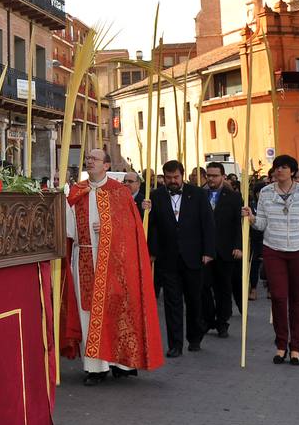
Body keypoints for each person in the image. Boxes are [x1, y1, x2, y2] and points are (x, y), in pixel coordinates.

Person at [63, 150, 164, 384]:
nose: (89, 161)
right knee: (88, 312)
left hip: (115, 262)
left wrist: (110, 228)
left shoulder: (119, 193)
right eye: (87, 158)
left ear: (106, 165)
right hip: (86, 256)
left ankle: (121, 362)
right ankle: (95, 367)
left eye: (94, 159)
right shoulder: (77, 191)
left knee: (118, 309)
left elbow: (132, 230)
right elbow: (67, 229)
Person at [243, 154, 299, 366]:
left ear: (293, 172)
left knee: (298, 300)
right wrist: (251, 217)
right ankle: (281, 345)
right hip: (274, 249)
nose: (279, 171)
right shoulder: (266, 193)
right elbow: (261, 223)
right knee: (278, 298)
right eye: (277, 167)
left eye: (284, 167)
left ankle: (295, 347)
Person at [145, 160, 215, 358]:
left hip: (194, 256)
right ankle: (175, 344)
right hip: (168, 258)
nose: (172, 181)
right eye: (168, 178)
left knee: (194, 300)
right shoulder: (156, 196)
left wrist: (208, 251)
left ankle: (194, 337)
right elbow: (152, 227)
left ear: (182, 175)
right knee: (171, 303)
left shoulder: (199, 194)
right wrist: (145, 211)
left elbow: (208, 223)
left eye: (176, 177)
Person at [200, 162, 244, 338]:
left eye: (215, 176)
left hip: (226, 250)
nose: (211, 179)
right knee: (203, 286)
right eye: (208, 175)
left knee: (223, 288)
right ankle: (208, 318)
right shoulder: (200, 195)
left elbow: (238, 225)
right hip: (204, 251)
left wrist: (238, 246)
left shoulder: (233, 197)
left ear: (223, 177)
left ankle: (222, 321)